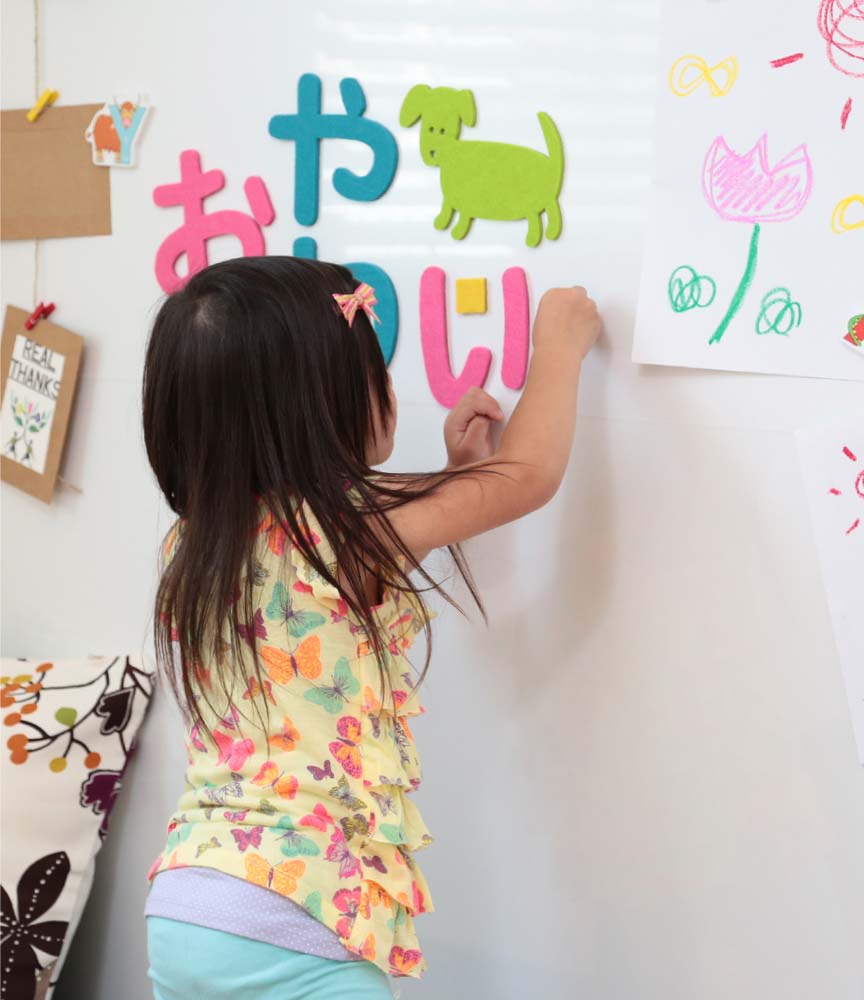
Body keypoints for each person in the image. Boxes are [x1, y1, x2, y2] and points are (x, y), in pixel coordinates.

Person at [141, 256, 600, 999]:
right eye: (375, 372)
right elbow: (530, 475)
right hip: (296, 908)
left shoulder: (193, 545)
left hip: (187, 902)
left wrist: (457, 472)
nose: (389, 387)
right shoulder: (350, 528)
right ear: (316, 405)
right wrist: (560, 345)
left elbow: (325, 594)